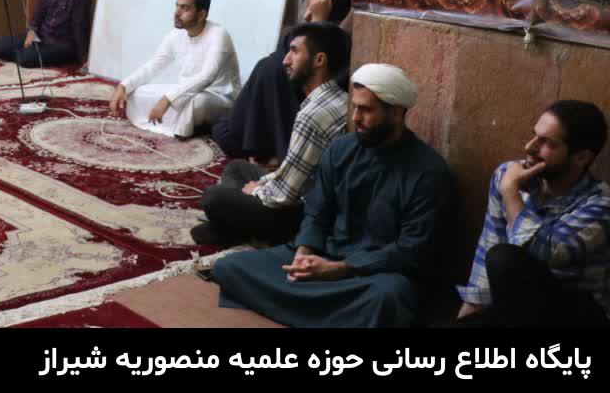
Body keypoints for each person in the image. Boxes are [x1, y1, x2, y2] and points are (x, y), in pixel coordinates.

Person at [211, 64, 453, 327]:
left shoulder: (428, 172)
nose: (356, 118)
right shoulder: (341, 150)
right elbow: (317, 212)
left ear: (395, 113)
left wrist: (340, 270)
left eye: (366, 110)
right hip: (326, 255)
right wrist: (304, 253)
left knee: (389, 297)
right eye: (354, 107)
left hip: (372, 273)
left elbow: (411, 251)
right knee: (228, 267)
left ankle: (306, 307)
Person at [454, 100, 610, 328]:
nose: (530, 147)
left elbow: (549, 253)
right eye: (535, 135)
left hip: (576, 316)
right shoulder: (508, 176)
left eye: (548, 143)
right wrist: (468, 314)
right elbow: (490, 243)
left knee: (504, 259)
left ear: (581, 158)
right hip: (515, 311)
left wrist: (511, 194)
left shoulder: (601, 204)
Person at [193, 22, 350, 246]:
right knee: (236, 169)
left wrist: (257, 191)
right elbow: (291, 172)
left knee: (213, 197)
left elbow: (285, 195)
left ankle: (245, 231)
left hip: (303, 215)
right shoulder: (337, 98)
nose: (285, 60)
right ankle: (238, 230)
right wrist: (262, 183)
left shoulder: (313, 115)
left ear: (319, 60)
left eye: (294, 51)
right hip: (304, 195)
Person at [211, 0, 352, 162]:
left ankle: (265, 153)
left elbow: (294, 76)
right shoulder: (296, 36)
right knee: (222, 128)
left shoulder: (342, 46)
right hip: (269, 111)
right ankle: (260, 149)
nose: (307, 14)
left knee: (269, 67)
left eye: (313, 7)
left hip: (293, 118)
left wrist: (318, 22)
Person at [108, 0, 240, 139]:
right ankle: (181, 122)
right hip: (185, 91)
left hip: (217, 96)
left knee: (196, 102)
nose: (177, 12)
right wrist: (124, 85)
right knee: (137, 93)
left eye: (185, 8)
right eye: (177, 6)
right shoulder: (176, 35)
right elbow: (153, 66)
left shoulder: (218, 34)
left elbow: (207, 76)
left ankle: (183, 127)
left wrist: (167, 100)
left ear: (202, 14)